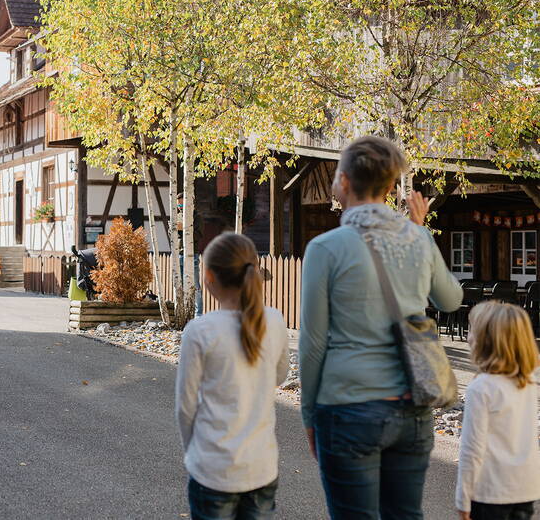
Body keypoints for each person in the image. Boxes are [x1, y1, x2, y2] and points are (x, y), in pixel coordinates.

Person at [299, 136, 463, 519]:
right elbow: (451, 300)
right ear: (391, 187)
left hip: (347, 408)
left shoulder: (325, 248)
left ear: (342, 181)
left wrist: (309, 416)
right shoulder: (419, 238)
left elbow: (313, 343)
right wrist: (420, 230)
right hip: (412, 409)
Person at [176, 233, 289, 520]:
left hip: (213, 468)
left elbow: (185, 407)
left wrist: (194, 452)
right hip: (261, 467)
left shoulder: (200, 331)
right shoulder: (274, 321)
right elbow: (279, 375)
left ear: (210, 276)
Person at [456, 301, 540, 520]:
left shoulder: (481, 387)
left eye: (471, 330)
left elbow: (472, 449)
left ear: (485, 341)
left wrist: (462, 499)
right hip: (525, 488)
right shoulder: (528, 381)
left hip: (490, 491)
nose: (468, 336)